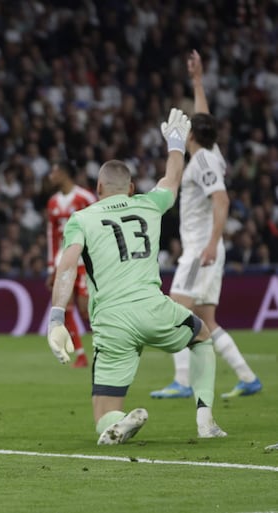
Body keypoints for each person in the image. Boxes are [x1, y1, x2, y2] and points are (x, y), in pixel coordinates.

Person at [47, 108, 227, 445]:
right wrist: (175, 142)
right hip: (154, 309)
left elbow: (67, 264)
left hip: (112, 322)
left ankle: (120, 421)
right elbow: (172, 179)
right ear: (130, 187)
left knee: (103, 414)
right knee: (201, 336)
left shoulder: (81, 218)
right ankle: (205, 418)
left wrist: (57, 316)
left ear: (99, 187)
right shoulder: (147, 204)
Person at [150, 50, 262, 400]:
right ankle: (247, 378)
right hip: (206, 248)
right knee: (206, 321)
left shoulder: (200, 163)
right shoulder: (211, 153)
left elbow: (222, 199)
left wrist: (212, 243)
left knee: (174, 312)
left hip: (201, 250)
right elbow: (204, 118)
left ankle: (183, 381)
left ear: (193, 136)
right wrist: (197, 81)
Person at [45, 160, 97, 368]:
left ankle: (107, 345)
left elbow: (97, 228)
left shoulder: (85, 198)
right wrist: (51, 267)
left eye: (54, 171)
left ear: (65, 173)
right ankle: (81, 355)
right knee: (64, 307)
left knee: (86, 309)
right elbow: (52, 236)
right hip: (62, 262)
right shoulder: (53, 202)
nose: (51, 176)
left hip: (85, 261)